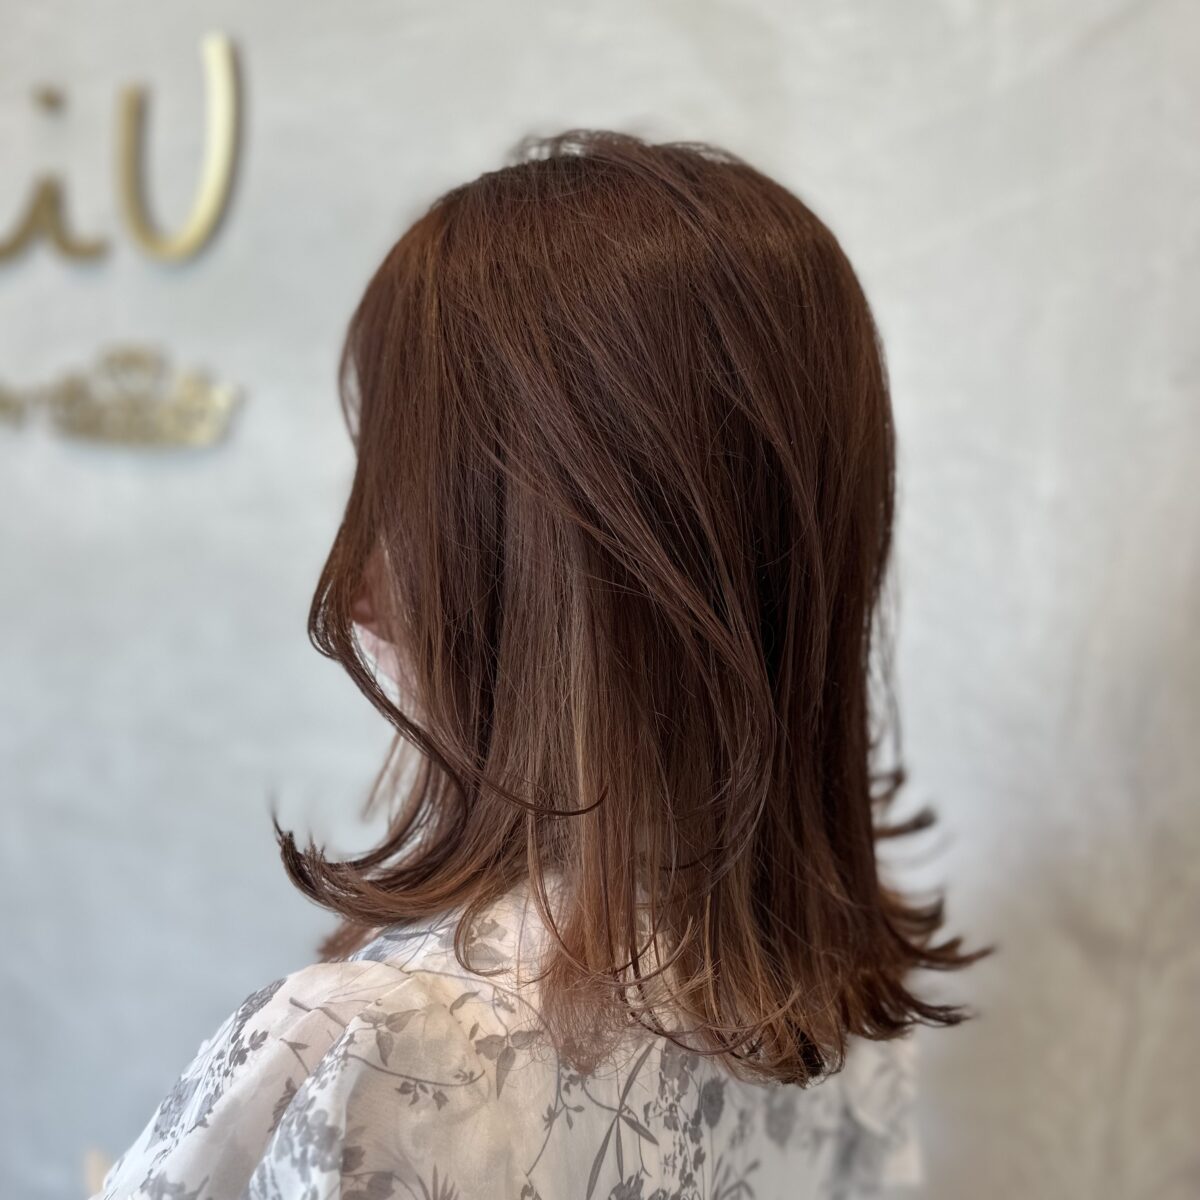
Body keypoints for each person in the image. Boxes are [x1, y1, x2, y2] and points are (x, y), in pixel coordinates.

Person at [94, 129, 983, 1200]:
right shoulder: (839, 996)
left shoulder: (377, 1056)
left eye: (405, 497)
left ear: (563, 578)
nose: (358, 590)